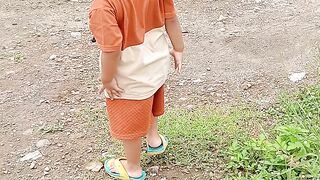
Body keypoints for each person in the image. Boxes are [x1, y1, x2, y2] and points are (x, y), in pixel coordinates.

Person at [89, 0, 184, 179]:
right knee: (150, 98)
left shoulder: (103, 6)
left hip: (129, 75)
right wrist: (179, 48)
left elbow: (111, 49)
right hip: (156, 61)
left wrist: (107, 79)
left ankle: (132, 168)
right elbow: (171, 18)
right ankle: (154, 140)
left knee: (129, 121)